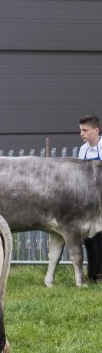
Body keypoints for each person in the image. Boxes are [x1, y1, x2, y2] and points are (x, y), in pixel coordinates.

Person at [78, 115, 102, 282]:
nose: (81, 133)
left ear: (96, 130)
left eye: (85, 130)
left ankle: (99, 275)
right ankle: (92, 274)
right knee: (89, 239)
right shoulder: (83, 150)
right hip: (88, 202)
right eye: (80, 130)